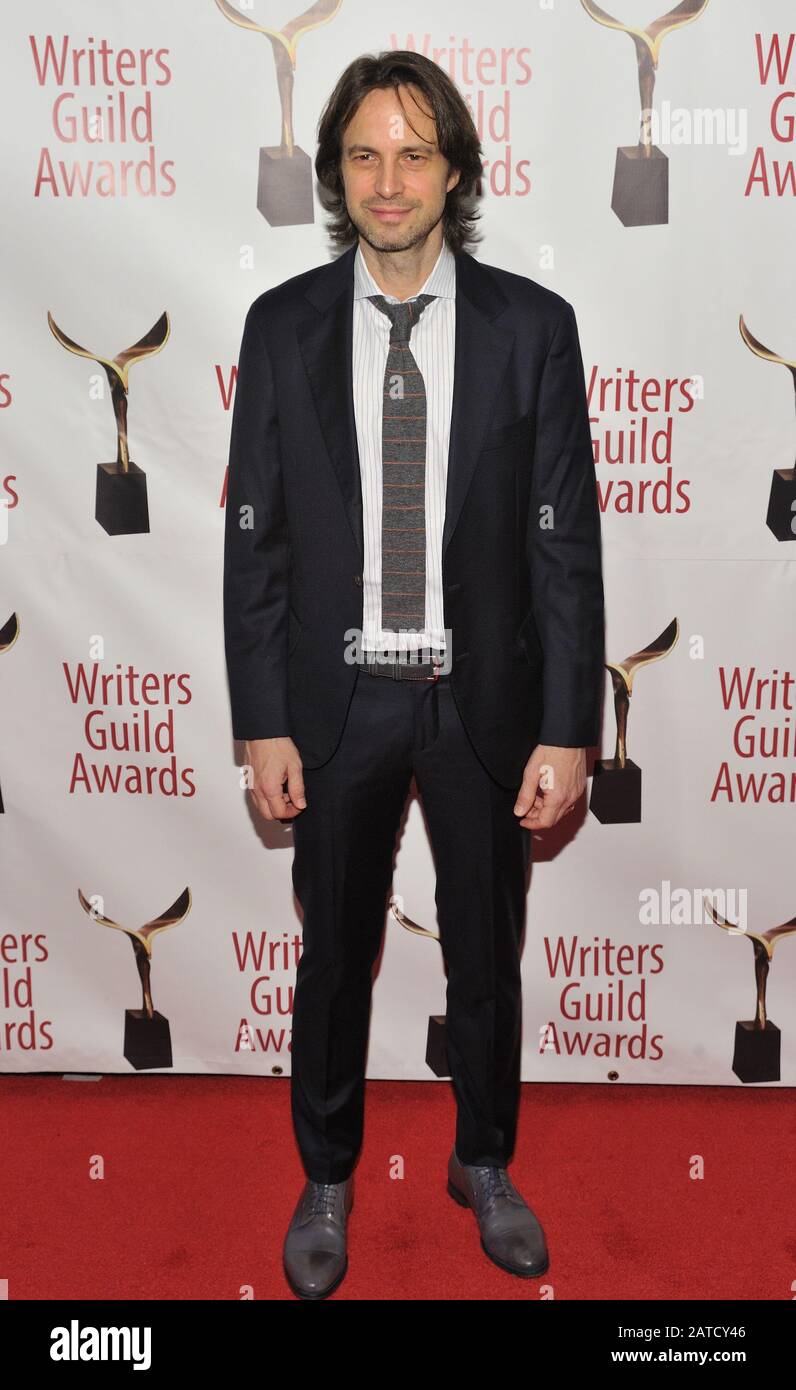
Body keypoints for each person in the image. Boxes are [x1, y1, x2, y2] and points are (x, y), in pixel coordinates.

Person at [223, 49, 605, 1300]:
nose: (387, 182)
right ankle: (327, 1173)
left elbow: (563, 546)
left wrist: (568, 726)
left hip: (480, 705)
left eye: (413, 154)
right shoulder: (281, 326)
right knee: (333, 958)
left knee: (485, 956)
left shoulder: (532, 329)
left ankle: (482, 1161)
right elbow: (257, 542)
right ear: (337, 174)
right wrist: (261, 718)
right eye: (362, 156)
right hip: (334, 706)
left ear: (455, 173)